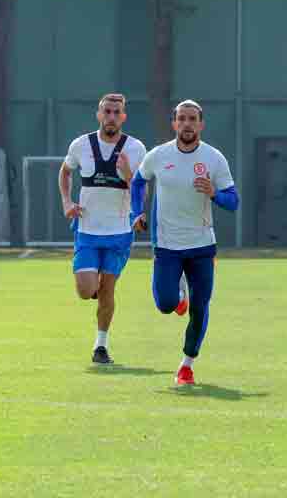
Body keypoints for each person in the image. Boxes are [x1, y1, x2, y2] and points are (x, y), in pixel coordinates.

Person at [130, 100, 239, 385]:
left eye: (193, 119)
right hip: (167, 245)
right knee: (165, 304)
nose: (187, 124)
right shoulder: (158, 155)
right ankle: (178, 296)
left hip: (202, 245)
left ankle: (187, 365)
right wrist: (137, 212)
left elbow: (233, 201)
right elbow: (138, 181)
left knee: (201, 308)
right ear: (174, 123)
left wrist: (214, 193)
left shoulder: (214, 158)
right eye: (182, 119)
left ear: (201, 124)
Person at [59, 93, 146, 364]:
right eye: (106, 111)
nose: (111, 116)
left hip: (119, 232)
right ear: (99, 115)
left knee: (108, 291)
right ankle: (93, 287)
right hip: (87, 230)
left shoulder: (135, 148)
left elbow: (141, 187)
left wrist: (129, 174)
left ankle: (101, 346)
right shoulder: (81, 145)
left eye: (116, 112)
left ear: (123, 117)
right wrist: (67, 201)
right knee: (86, 291)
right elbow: (65, 171)